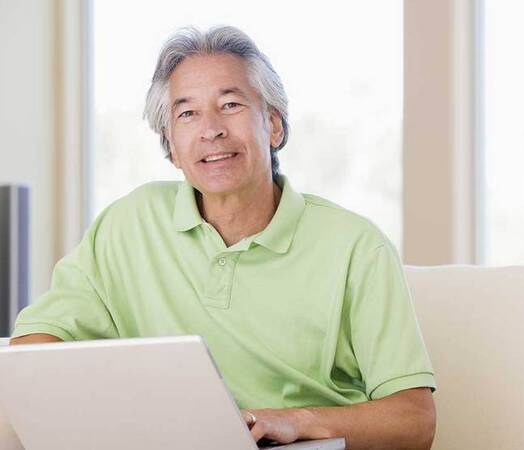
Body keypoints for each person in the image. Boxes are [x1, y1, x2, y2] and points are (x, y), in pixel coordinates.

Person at [11, 26, 436, 449]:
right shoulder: (126, 224)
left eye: (230, 104)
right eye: (187, 113)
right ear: (172, 146)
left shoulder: (356, 246)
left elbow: (415, 421)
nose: (210, 130)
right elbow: (34, 349)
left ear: (272, 125)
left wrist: (295, 422)